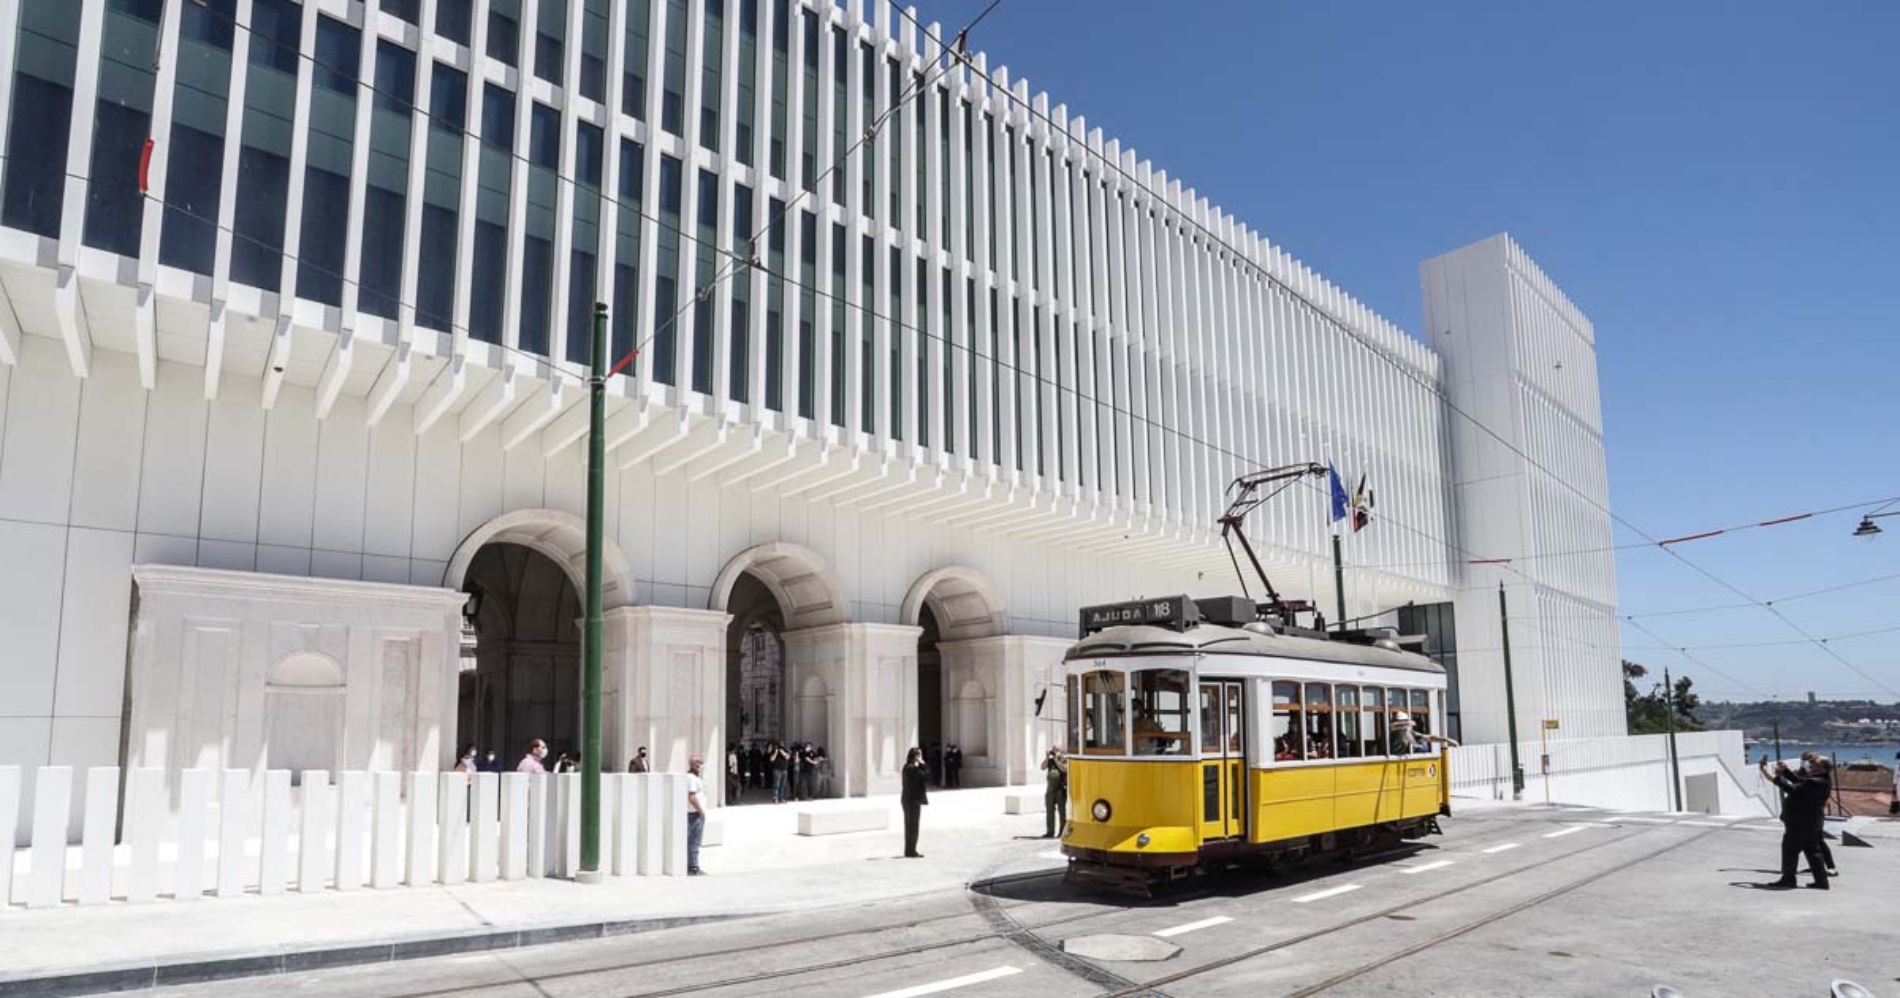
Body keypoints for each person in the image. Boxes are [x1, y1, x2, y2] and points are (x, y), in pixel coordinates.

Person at [1763, 757, 1831, 890]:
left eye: (1814, 764)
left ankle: (1788, 879)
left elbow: (1791, 788)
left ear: (1822, 768)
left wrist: (1776, 777)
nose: (1810, 766)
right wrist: (1785, 771)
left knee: (1790, 850)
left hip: (1800, 823)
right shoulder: (1823, 780)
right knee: (1813, 851)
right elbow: (1799, 781)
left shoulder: (1814, 782)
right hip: (1813, 822)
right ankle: (1821, 881)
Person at [1800, 752, 1840, 877]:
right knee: (1813, 841)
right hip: (1811, 812)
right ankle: (1816, 865)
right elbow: (1803, 772)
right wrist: (1804, 761)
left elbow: (1801, 776)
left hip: (1815, 813)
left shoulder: (1822, 777)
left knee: (1818, 840)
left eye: (1813, 763)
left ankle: (1831, 867)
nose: (1811, 764)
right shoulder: (1817, 774)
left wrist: (1811, 757)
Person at [901, 747, 930, 858]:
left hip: (908, 800)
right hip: (912, 801)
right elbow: (927, 776)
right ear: (916, 756)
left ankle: (909, 850)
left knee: (909, 827)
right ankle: (911, 851)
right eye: (920, 755)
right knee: (913, 827)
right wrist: (923, 764)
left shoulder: (906, 767)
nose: (921, 757)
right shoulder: (912, 769)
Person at [1388, 712, 1459, 755]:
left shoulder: (1410, 734)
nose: (1404, 728)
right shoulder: (1391, 736)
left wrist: (1447, 739)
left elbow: (1430, 738)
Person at [685, 755, 707, 876]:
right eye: (698, 763)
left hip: (695, 813)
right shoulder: (691, 778)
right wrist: (701, 811)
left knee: (693, 840)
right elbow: (692, 797)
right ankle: (693, 866)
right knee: (694, 841)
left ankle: (692, 864)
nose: (700, 765)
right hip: (695, 813)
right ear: (693, 764)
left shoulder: (693, 777)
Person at [1042, 746, 1069, 838]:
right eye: (1053, 750)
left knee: (1062, 812)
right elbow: (1042, 767)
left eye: (1056, 750)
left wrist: (1057, 760)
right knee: (1049, 811)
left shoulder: (1064, 759)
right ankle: (1050, 831)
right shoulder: (1050, 760)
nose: (1054, 752)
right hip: (1050, 790)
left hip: (1060, 789)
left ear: (1060, 751)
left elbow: (1064, 769)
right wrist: (1047, 757)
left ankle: (1062, 832)